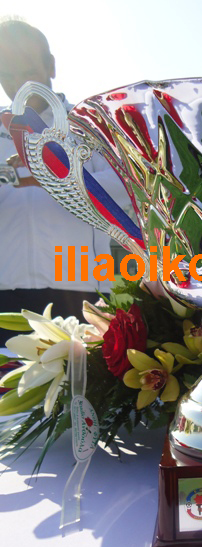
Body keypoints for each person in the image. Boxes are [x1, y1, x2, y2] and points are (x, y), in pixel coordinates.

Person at [0, 19, 128, 343]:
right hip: (5, 297)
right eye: (7, 75)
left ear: (51, 66)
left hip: (81, 291)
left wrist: (57, 176)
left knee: (81, 379)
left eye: (27, 72)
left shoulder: (89, 124)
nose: (18, 84)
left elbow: (126, 191)